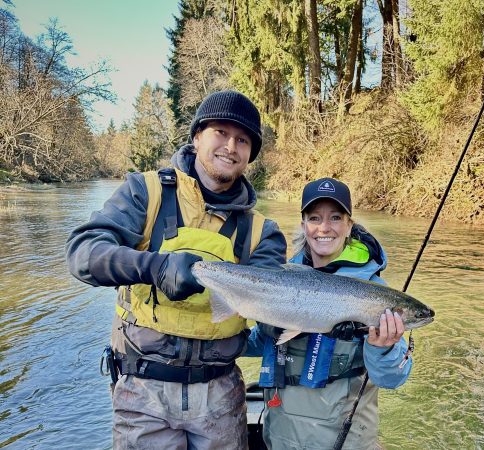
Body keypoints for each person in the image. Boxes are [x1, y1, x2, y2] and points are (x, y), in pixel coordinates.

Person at [66, 90, 287, 449]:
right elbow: (82, 254)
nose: (231, 146)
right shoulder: (144, 191)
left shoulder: (265, 232)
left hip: (221, 395)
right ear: (197, 136)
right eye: (221, 132)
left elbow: (271, 310)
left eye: (243, 140)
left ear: (250, 156)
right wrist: (156, 267)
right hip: (141, 393)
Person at [246, 177, 413, 450]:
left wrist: (382, 348)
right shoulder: (281, 280)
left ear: (349, 226)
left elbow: (392, 379)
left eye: (335, 218)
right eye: (315, 218)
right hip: (281, 439)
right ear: (304, 226)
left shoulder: (375, 295)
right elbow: (257, 343)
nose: (324, 227)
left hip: (345, 442)